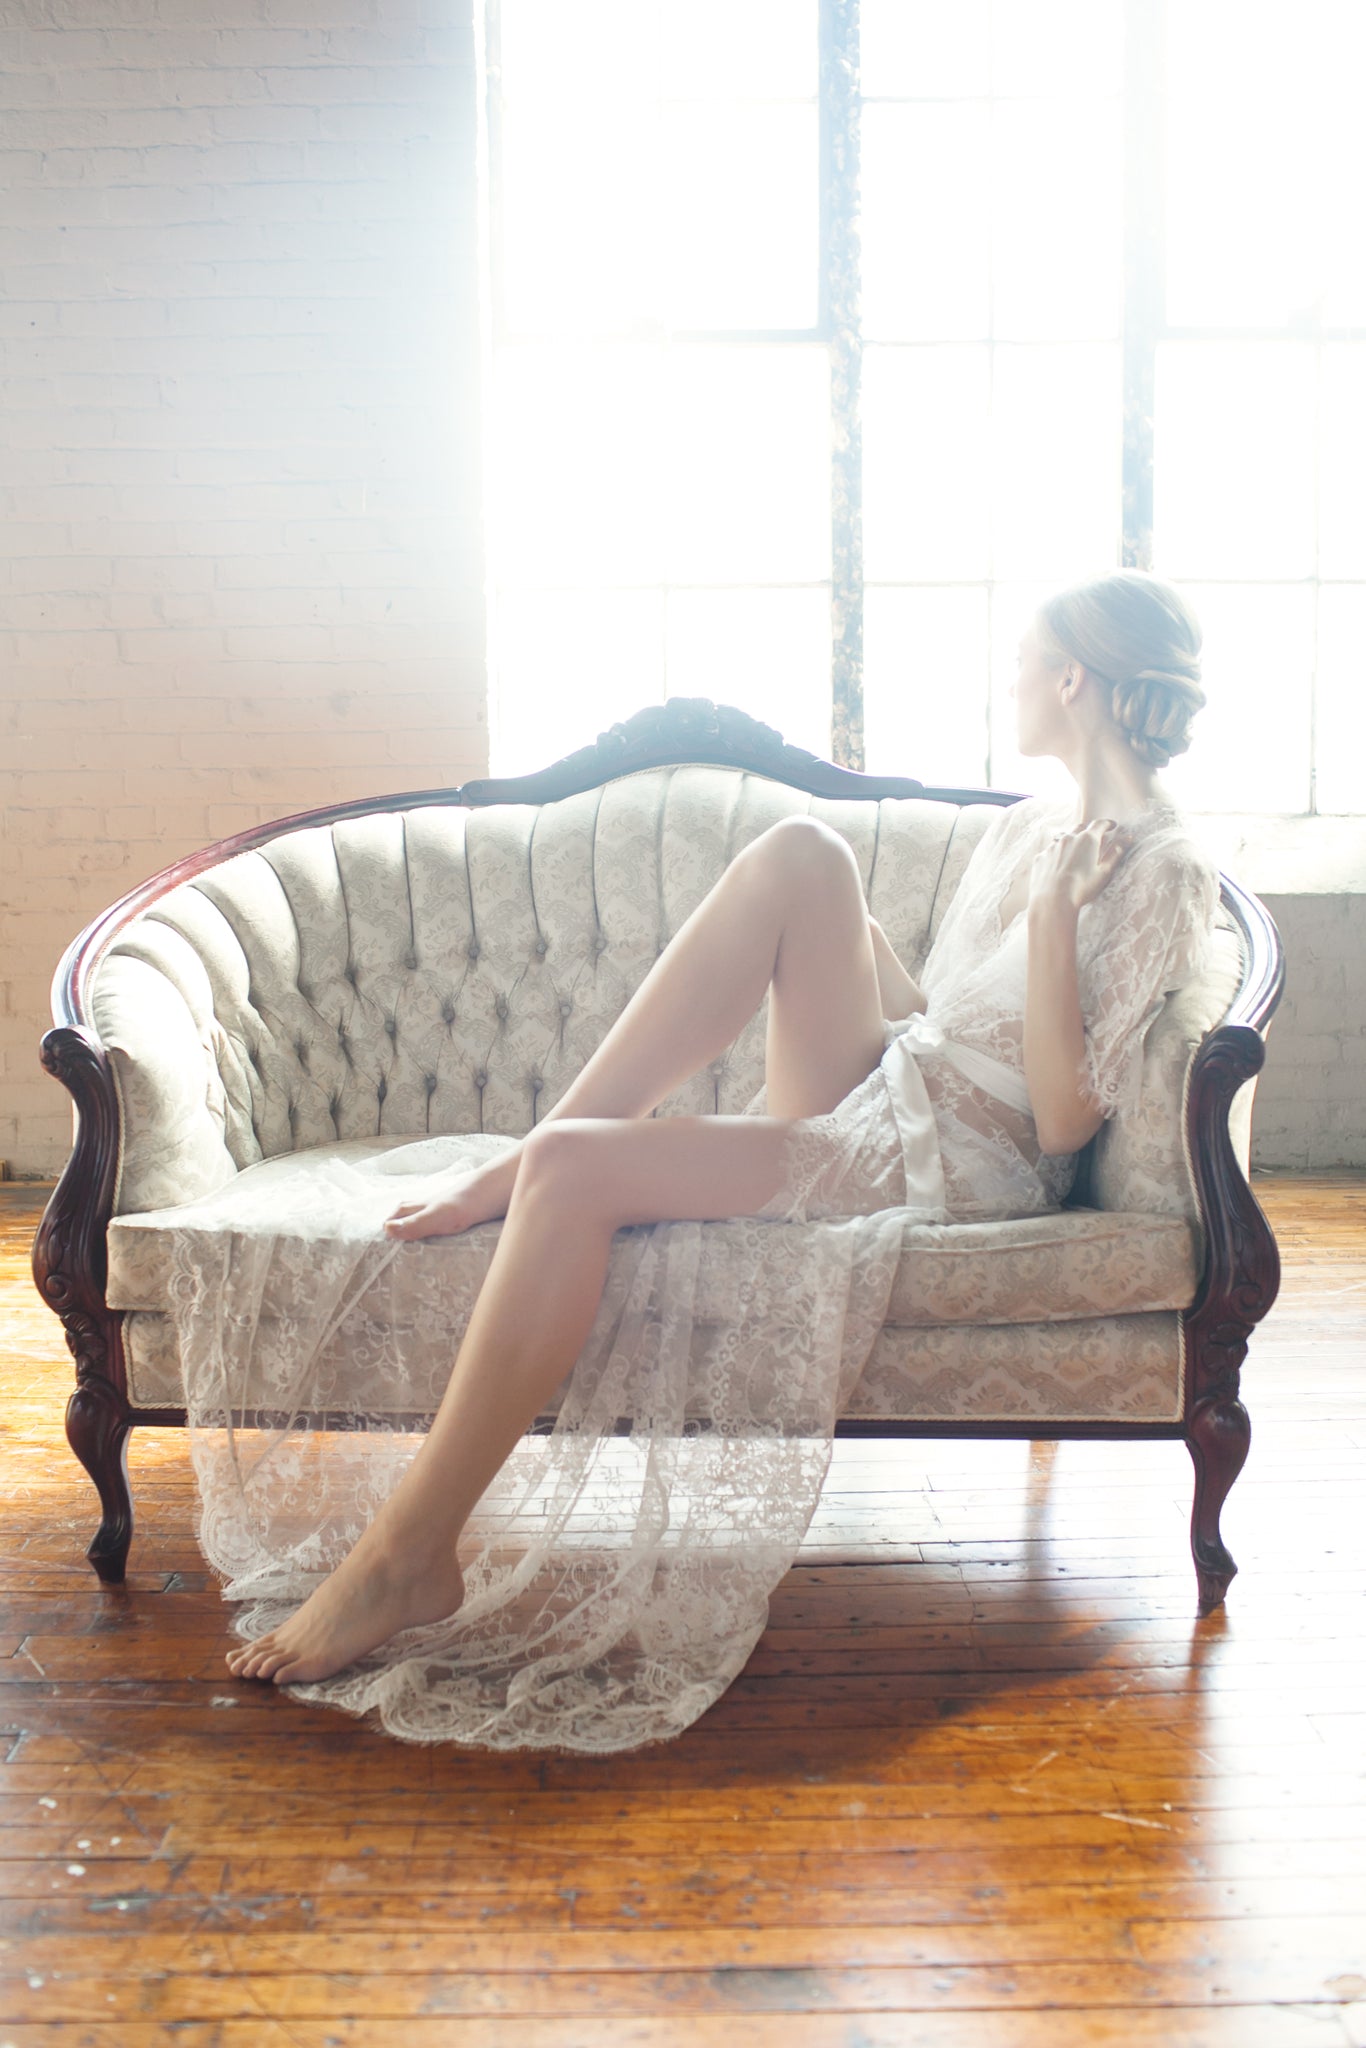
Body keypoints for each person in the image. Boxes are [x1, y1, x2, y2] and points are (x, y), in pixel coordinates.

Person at [210, 567, 1218, 1743]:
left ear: (1072, 679)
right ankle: (528, 1158)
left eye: (1023, 660)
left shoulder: (1160, 867)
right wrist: (847, 947)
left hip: (956, 1164)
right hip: (901, 1086)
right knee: (803, 857)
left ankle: (407, 1551)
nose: (1009, 682)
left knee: (576, 1170)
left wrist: (1053, 920)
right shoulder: (1032, 826)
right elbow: (952, 1015)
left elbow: (1058, 1124)